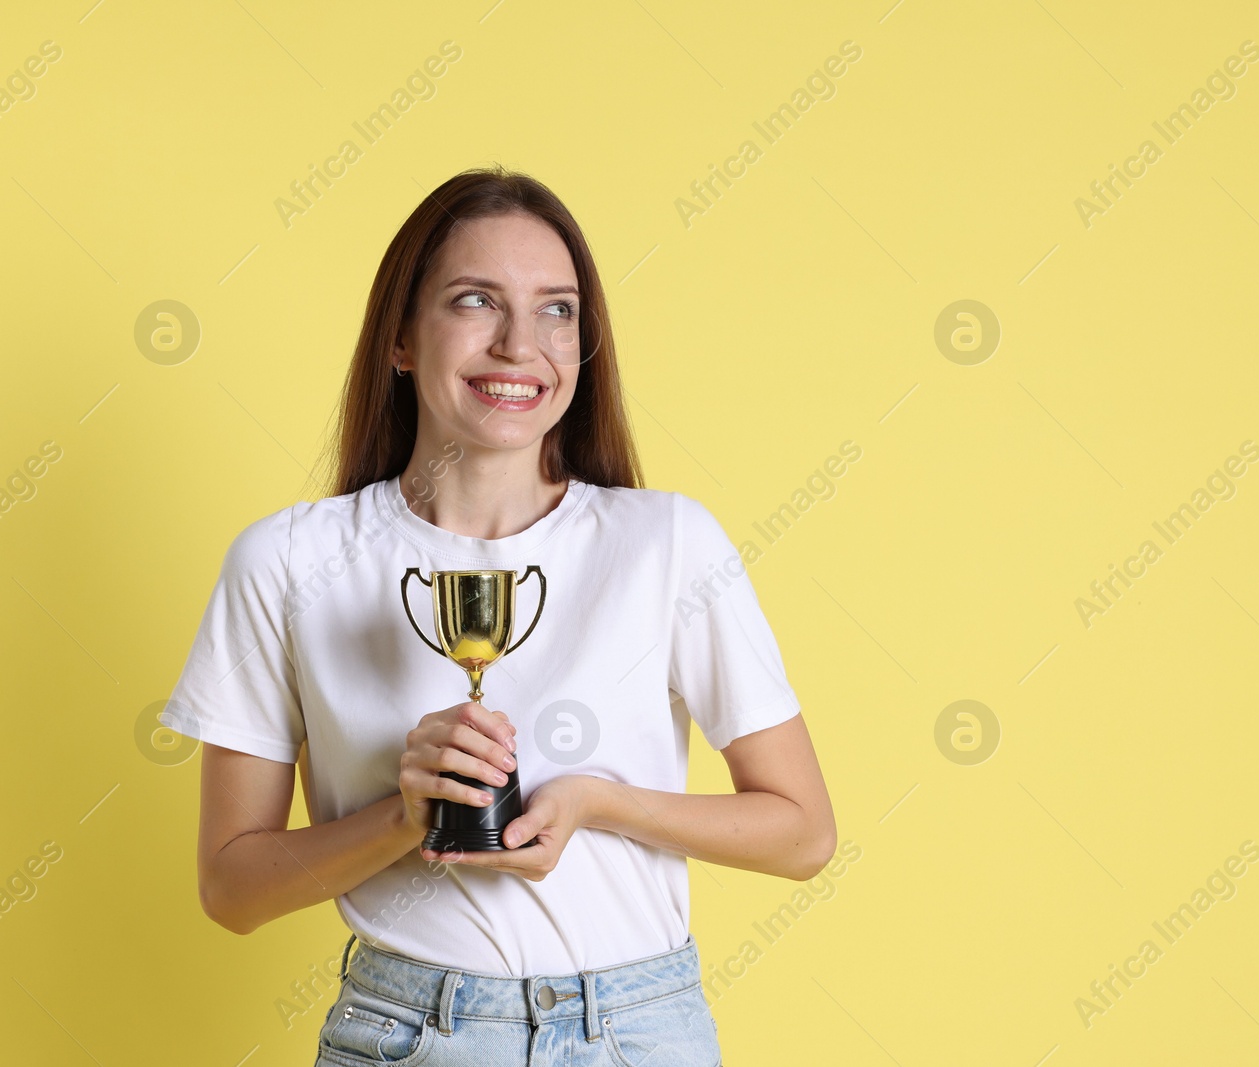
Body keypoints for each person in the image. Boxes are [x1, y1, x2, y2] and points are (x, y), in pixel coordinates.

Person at [160, 165, 836, 1066]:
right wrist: (403, 817)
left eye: (557, 309)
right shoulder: (288, 562)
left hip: (637, 1031)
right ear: (400, 337)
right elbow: (231, 887)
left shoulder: (667, 542)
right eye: (476, 300)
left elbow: (802, 833)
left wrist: (599, 802)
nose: (522, 345)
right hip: (407, 1031)